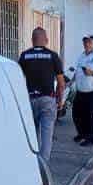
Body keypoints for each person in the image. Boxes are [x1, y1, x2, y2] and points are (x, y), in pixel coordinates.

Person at [18, 27, 65, 167]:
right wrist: (60, 101)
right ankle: (42, 168)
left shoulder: (24, 56)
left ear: (32, 41)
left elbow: (18, 78)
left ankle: (31, 164)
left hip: (30, 100)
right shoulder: (53, 56)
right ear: (46, 40)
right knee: (46, 137)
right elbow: (61, 83)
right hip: (47, 100)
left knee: (32, 135)